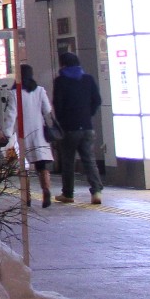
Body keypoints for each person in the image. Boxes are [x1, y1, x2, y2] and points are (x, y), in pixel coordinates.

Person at [53, 51, 104, 205]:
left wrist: (62, 122)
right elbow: (97, 100)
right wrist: (88, 114)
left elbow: (58, 104)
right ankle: (96, 192)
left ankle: (68, 194)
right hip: (87, 126)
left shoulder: (61, 81)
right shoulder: (88, 79)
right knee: (89, 160)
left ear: (63, 64)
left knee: (68, 161)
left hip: (69, 128)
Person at [9, 64, 56, 209]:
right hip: (39, 132)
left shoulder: (15, 93)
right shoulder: (40, 91)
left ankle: (27, 197)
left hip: (23, 134)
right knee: (42, 165)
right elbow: (47, 110)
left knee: (24, 167)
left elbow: (11, 115)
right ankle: (46, 189)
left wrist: (6, 133)